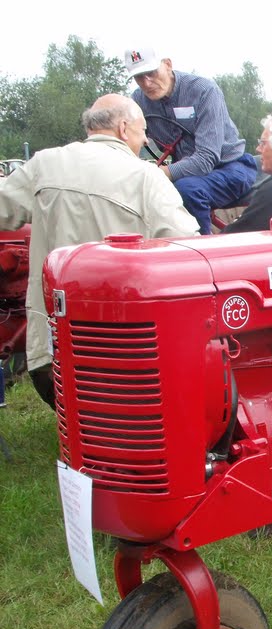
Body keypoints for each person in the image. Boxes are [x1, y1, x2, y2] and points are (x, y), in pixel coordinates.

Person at [0, 94, 199, 407]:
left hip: (52, 347)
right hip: (127, 351)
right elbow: (187, 250)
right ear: (123, 128)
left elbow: (3, 209)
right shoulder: (146, 177)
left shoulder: (45, 163)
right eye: (142, 130)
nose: (145, 139)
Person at [125, 46, 258, 234]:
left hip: (230, 167)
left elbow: (206, 159)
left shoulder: (204, 91)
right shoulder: (138, 100)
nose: (147, 83)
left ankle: (201, 252)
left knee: (187, 189)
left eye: (151, 73)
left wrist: (155, 173)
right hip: (186, 172)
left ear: (168, 65)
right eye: (139, 77)